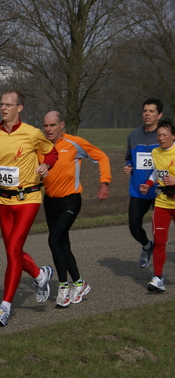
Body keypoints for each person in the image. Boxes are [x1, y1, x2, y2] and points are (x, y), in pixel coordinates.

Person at [0, 90, 58, 326]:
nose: (3, 108)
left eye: (8, 105)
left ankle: (5, 306)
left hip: (28, 198)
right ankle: (40, 275)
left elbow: (52, 152)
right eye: (1, 104)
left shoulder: (32, 133)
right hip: (3, 200)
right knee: (12, 250)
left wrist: (46, 166)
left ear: (19, 108)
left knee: (13, 251)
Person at [41, 111, 111, 308]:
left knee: (54, 240)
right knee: (62, 244)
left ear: (61, 125)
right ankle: (79, 283)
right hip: (50, 201)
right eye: (45, 126)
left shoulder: (74, 143)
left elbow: (101, 156)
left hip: (70, 201)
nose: (48, 129)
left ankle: (63, 286)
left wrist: (104, 183)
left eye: (52, 125)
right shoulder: (41, 145)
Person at [124, 98, 163, 268]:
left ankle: (158, 270)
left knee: (159, 230)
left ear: (159, 115)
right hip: (138, 190)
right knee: (133, 226)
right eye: (145, 111)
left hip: (160, 191)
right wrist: (128, 167)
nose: (147, 114)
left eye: (151, 111)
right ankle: (147, 247)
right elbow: (128, 159)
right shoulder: (133, 135)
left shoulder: (164, 136)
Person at [139, 119, 175, 292]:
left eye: (164, 135)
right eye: (158, 135)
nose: (160, 138)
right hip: (161, 202)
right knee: (160, 241)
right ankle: (158, 278)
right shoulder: (155, 152)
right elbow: (156, 172)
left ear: (173, 136)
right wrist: (148, 184)